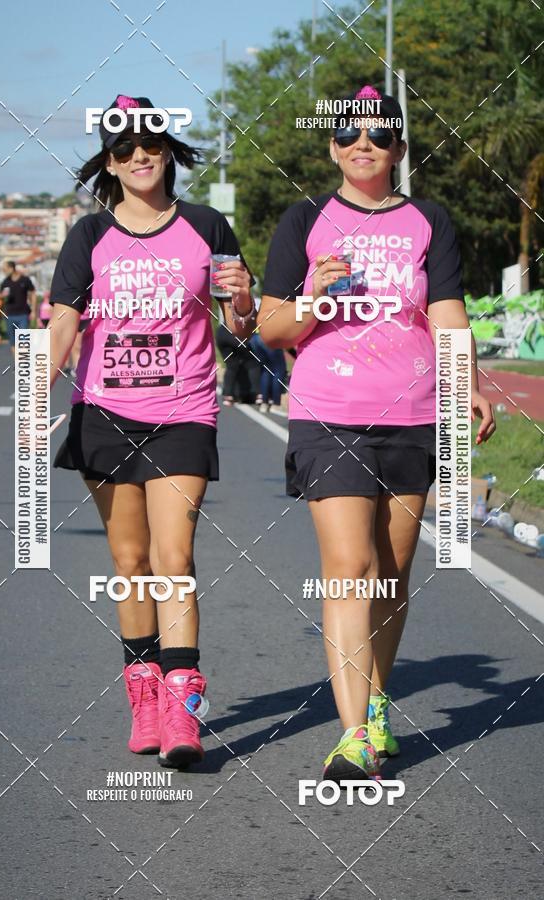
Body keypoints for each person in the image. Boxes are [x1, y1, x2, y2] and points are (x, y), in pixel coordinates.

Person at [259, 85, 495, 782]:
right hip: (329, 410)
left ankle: (378, 703)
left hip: (414, 411)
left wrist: (469, 382)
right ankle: (353, 735)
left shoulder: (429, 220)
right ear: (333, 146)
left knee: (391, 577)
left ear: (398, 148)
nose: (366, 144)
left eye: (381, 135)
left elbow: (447, 313)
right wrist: (310, 298)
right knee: (350, 570)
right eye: (352, 134)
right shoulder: (304, 219)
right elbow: (272, 328)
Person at [48, 94, 255, 769]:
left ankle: (184, 710)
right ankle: (143, 698)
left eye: (150, 143)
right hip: (102, 414)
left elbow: (241, 326)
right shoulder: (88, 236)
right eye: (124, 148)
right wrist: (34, 392)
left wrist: (245, 298)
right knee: (130, 563)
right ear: (109, 162)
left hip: (185, 412)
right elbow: (63, 324)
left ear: (167, 151)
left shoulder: (206, 225)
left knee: (174, 557)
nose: (139, 156)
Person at [0, 260, 36, 354]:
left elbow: (33, 293)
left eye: (5, 269)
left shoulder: (25, 280)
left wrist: (33, 310)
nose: (3, 271)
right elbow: (0, 296)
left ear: (12, 268)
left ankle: (23, 364)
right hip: (9, 315)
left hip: (23, 314)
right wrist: (1, 296)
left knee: (23, 341)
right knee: (13, 342)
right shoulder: (5, 282)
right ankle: (18, 364)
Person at [249, 332, 287, 413]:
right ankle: (275, 404)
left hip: (255, 337)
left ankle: (264, 403)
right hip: (270, 336)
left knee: (266, 370)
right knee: (278, 369)